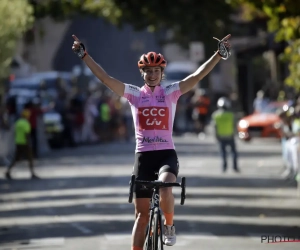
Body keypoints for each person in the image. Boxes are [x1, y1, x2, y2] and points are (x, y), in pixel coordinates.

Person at [72, 33, 231, 250]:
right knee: (141, 216)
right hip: (144, 156)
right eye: (148, 71)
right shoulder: (134, 94)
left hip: (166, 153)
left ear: (162, 73)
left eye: (156, 71)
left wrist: (218, 55)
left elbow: (197, 76)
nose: (152, 74)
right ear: (142, 72)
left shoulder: (170, 92)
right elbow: (106, 79)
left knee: (166, 187)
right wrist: (84, 56)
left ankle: (169, 224)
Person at [5, 109, 39, 179]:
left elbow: (14, 133)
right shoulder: (26, 123)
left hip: (18, 142)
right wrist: (29, 143)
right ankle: (32, 173)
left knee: (16, 158)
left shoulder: (18, 123)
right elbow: (27, 135)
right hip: (25, 143)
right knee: (30, 158)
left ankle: (8, 171)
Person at [212, 97, 239, 172]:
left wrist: (216, 136)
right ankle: (235, 167)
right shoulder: (231, 115)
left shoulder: (216, 115)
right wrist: (236, 134)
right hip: (230, 136)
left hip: (221, 136)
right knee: (233, 152)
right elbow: (235, 125)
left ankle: (224, 167)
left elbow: (215, 127)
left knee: (223, 153)